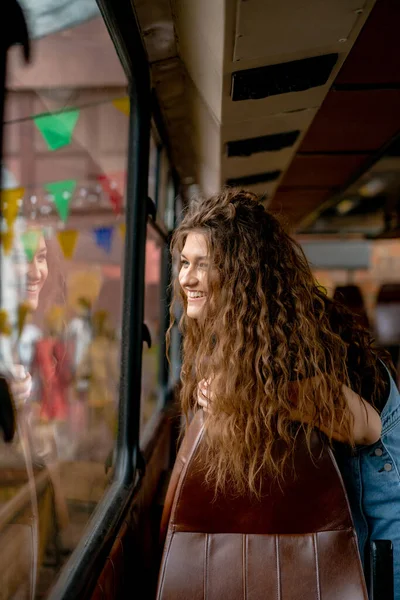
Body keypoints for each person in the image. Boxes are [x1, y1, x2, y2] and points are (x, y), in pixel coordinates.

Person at [168, 188, 400, 596]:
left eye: (202, 265)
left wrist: (242, 394)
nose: (186, 277)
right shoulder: (250, 331)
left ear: (241, 271)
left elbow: (368, 428)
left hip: (385, 500)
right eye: (184, 262)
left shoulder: (290, 343)